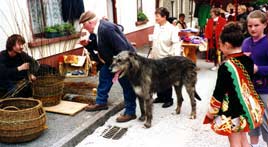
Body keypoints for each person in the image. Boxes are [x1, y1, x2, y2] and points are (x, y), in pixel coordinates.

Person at [203, 22, 264, 147]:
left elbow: (218, 93)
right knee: (244, 139)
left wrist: (211, 112)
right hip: (245, 109)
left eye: (220, 45)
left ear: (227, 45)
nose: (219, 48)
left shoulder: (226, 66)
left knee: (234, 142)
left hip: (232, 110)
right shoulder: (248, 60)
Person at [79, 11, 137, 122]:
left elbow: (122, 48)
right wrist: (88, 45)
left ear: (90, 22)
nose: (84, 28)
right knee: (104, 76)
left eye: (84, 25)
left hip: (125, 61)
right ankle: (101, 103)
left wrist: (121, 66)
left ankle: (130, 112)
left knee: (127, 85)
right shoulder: (98, 30)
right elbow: (99, 46)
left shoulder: (106, 29)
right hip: (112, 61)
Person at [241, 10, 268, 147]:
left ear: (264, 25)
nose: (252, 29)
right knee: (252, 120)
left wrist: (258, 69)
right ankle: (254, 145)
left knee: (266, 121)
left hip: (265, 90)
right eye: (249, 26)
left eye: (256, 25)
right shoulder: (245, 42)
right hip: (249, 89)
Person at [149, 7, 181, 108]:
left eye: (157, 16)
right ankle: (160, 97)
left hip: (166, 58)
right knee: (157, 79)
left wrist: (176, 60)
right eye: (156, 16)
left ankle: (168, 99)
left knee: (166, 80)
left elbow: (176, 44)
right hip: (156, 57)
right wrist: (151, 55)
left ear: (164, 17)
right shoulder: (156, 26)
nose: (156, 18)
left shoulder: (172, 29)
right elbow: (154, 42)